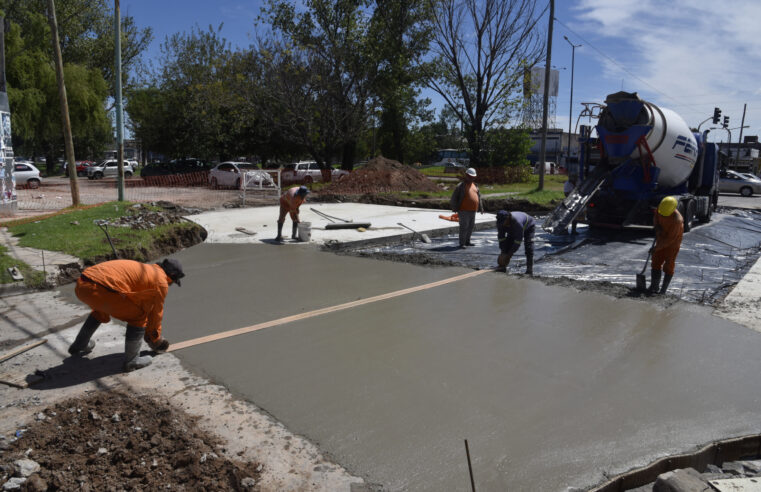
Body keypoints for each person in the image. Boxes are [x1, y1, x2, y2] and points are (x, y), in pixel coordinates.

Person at [68, 258, 185, 372]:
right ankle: (132, 361)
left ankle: (80, 344)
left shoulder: (146, 268)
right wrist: (155, 339)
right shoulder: (161, 282)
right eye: (173, 282)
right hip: (101, 289)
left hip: (82, 284)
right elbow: (156, 315)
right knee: (139, 316)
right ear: (172, 275)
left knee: (101, 310)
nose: (171, 285)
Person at [650, 196, 683, 294]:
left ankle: (663, 290)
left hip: (673, 243)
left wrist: (656, 248)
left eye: (665, 216)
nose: (663, 217)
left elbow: (670, 239)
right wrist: (657, 226)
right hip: (661, 238)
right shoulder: (661, 209)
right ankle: (654, 286)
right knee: (656, 261)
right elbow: (656, 217)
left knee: (669, 265)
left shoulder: (677, 220)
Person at [449, 167, 484, 248]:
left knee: (471, 226)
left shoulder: (475, 185)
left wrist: (481, 208)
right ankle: (462, 243)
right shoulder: (461, 186)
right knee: (464, 227)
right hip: (463, 210)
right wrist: (454, 207)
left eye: (473, 177)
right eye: (470, 177)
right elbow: (454, 197)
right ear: (466, 175)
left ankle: (467, 241)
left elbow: (479, 197)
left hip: (473, 210)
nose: (472, 178)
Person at [496, 210, 535, 275]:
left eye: (503, 222)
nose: (502, 224)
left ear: (508, 218)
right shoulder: (500, 223)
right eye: (500, 222)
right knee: (507, 244)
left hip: (529, 226)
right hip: (512, 228)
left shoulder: (517, 223)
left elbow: (517, 242)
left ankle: (529, 269)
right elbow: (501, 238)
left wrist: (509, 254)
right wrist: (503, 251)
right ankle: (503, 266)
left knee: (529, 247)